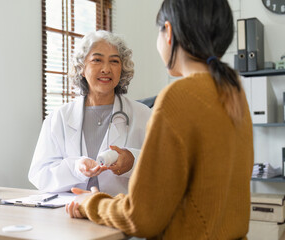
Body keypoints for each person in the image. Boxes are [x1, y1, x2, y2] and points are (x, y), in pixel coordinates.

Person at [65, 0, 254, 239]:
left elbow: (141, 218)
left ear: (169, 32)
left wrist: (92, 203)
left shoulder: (178, 97)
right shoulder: (232, 92)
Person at [28, 31, 152, 196]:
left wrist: (133, 161)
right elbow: (40, 175)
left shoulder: (143, 115)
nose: (106, 69)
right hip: (70, 212)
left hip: (120, 214)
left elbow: (165, 166)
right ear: (81, 68)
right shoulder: (59, 117)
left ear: (122, 69)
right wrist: (75, 168)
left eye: (114, 61)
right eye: (97, 60)